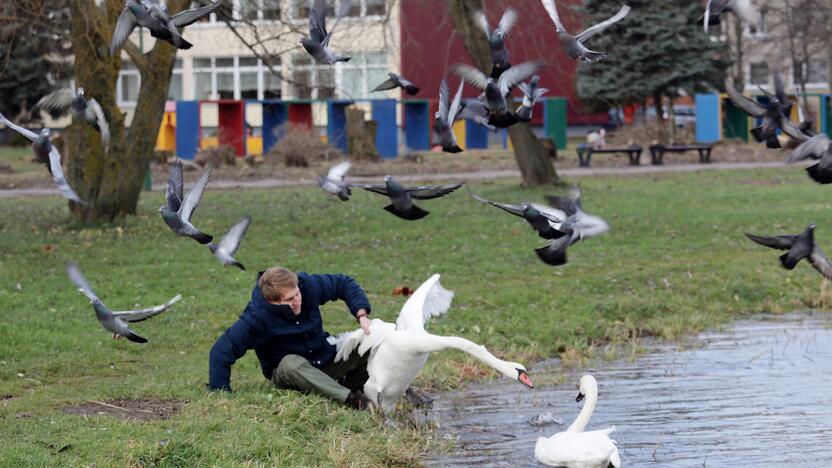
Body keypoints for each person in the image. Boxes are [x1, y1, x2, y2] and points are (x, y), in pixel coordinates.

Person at [208, 266, 374, 409]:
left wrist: (362, 315)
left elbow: (343, 283)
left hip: (323, 359)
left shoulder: (306, 286)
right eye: (289, 299)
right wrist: (222, 395)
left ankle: (354, 388)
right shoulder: (257, 317)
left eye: (297, 294)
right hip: (290, 376)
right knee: (290, 363)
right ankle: (352, 400)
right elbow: (221, 351)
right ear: (272, 301)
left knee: (367, 341)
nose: (297, 301)